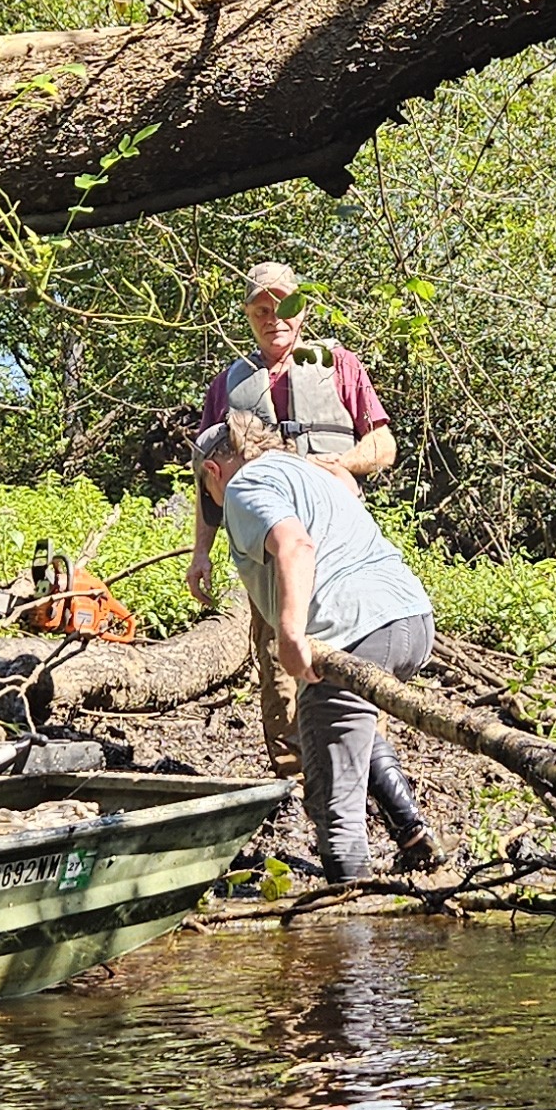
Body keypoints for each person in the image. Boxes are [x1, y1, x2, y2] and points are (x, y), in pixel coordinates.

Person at [195, 412, 446, 880]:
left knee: (331, 798)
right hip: (410, 619)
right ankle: (413, 835)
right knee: (352, 729)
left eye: (208, 493)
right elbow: (349, 494)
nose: (214, 502)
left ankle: (349, 931)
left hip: (353, 629)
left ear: (214, 472)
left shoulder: (243, 486)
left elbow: (294, 546)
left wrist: (289, 633)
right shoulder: (313, 471)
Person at [186, 259, 396, 776]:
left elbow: (383, 444)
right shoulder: (228, 386)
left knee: (354, 653)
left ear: (300, 310)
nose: (272, 317)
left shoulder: (338, 365)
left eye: (282, 306)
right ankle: (296, 782)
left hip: (338, 545)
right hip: (269, 551)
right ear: (248, 315)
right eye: (260, 308)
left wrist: (340, 464)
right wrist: (200, 553)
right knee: (278, 660)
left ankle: (368, 773)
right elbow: (208, 478)